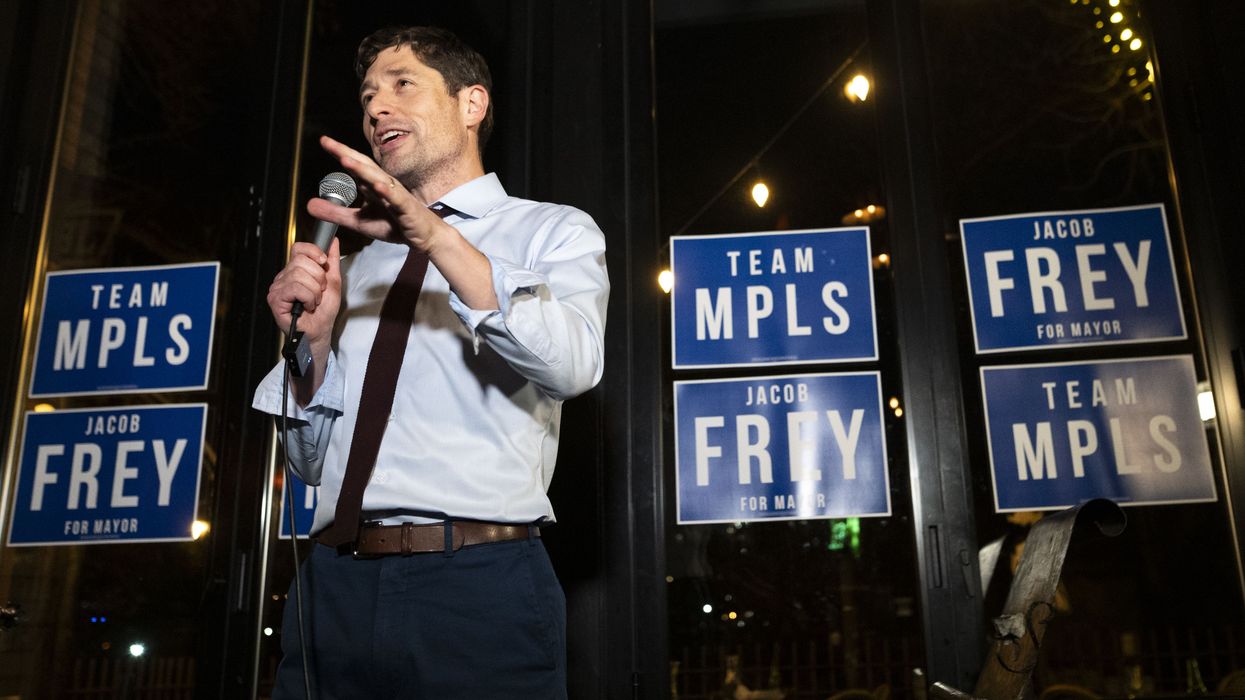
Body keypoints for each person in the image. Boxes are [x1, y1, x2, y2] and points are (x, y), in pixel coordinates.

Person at [252, 25, 608, 699]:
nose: (376, 108)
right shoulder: (351, 269)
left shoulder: (550, 231)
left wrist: (435, 235)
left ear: (471, 105)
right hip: (333, 585)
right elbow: (307, 463)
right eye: (366, 97)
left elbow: (572, 365)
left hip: (478, 583)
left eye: (401, 84)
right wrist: (316, 344)